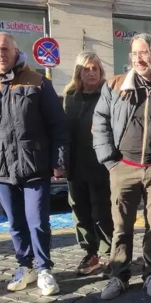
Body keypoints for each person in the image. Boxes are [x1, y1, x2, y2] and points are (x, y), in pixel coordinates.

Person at [0, 32, 69, 296]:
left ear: (15, 50)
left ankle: (45, 268)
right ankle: (25, 266)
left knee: (38, 221)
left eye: (5, 48)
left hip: (34, 164)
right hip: (0, 168)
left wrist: (58, 162)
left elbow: (57, 125)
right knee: (15, 223)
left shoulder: (38, 82)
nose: (0, 53)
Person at [92, 33, 151, 300]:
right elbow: (100, 122)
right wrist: (110, 161)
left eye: (143, 53)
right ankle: (119, 275)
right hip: (123, 167)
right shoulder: (115, 85)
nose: (138, 58)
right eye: (134, 54)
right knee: (121, 226)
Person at [62, 51, 112, 276]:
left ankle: (109, 253)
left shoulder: (109, 93)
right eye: (87, 69)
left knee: (102, 211)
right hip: (75, 165)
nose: (92, 73)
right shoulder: (70, 95)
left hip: (101, 165)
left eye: (95, 68)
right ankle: (91, 254)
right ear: (78, 72)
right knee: (80, 212)